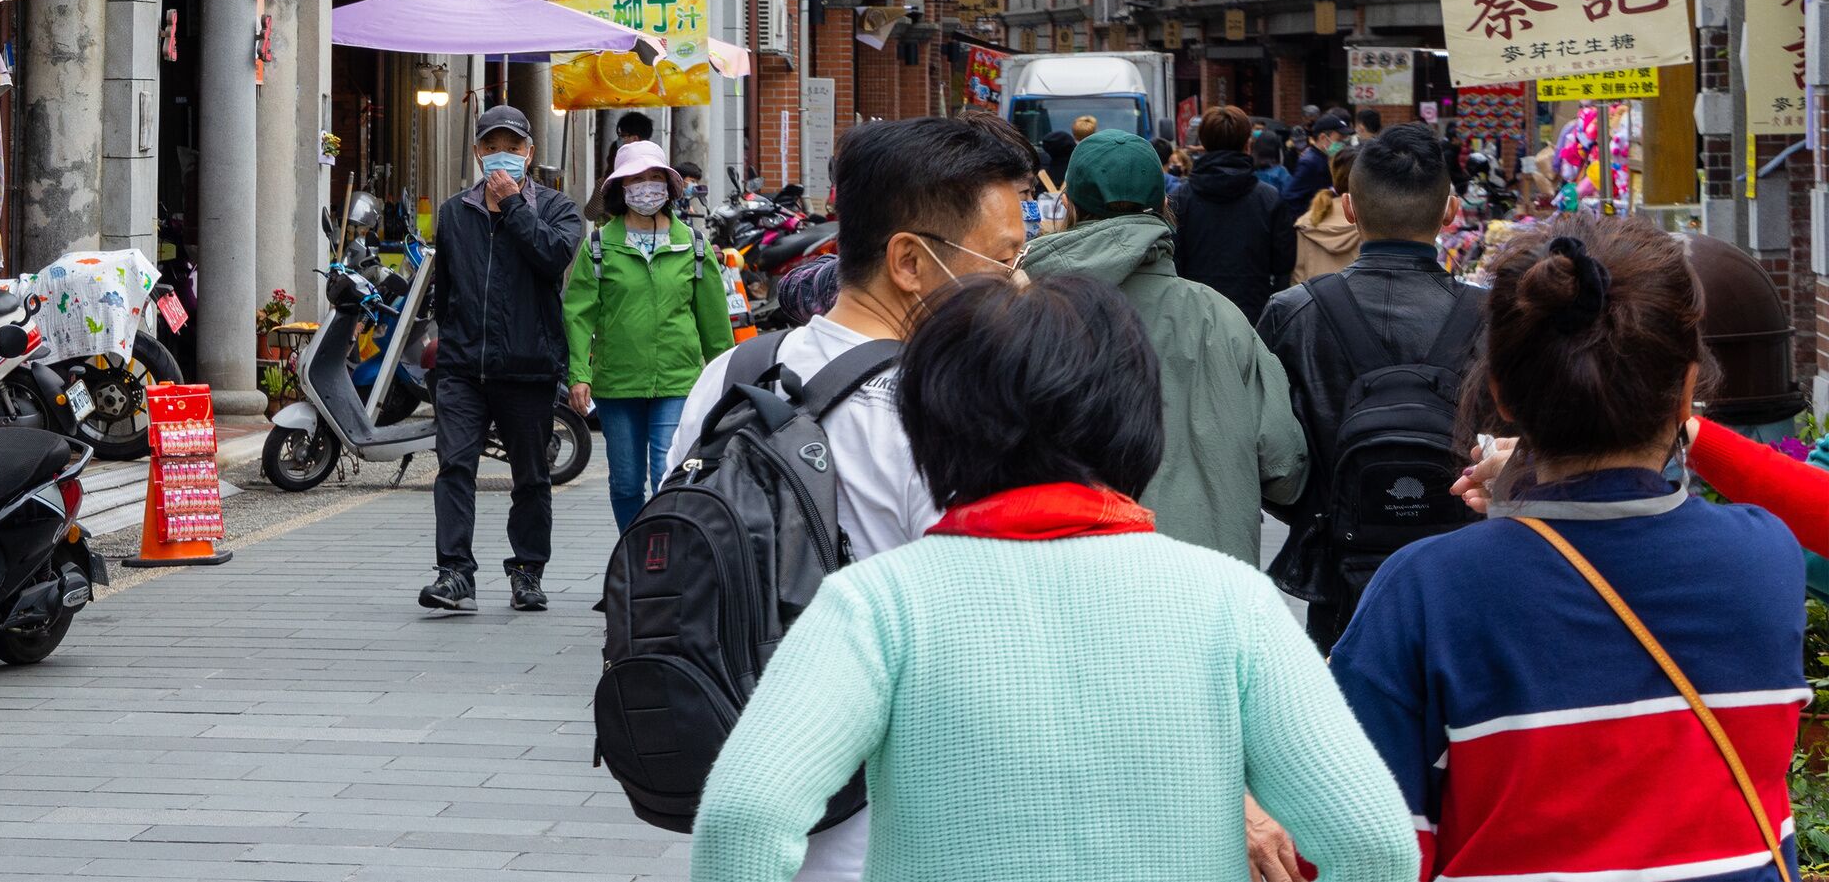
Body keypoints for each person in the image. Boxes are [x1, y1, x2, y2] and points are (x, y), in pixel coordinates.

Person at [687, 273, 1417, 882]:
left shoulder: (878, 603)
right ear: (1136, 423)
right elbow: (1373, 843)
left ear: (932, 425)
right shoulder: (1232, 600)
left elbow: (744, 816)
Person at [1329, 220, 1804, 882]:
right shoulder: (1765, 559)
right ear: (1689, 388)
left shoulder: (1426, 590)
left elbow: (1367, 848)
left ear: (1500, 393)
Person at [664, 115, 1031, 882]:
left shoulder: (736, 372)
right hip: (896, 827)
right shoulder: (943, 411)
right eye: (1003, 258)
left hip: (751, 786)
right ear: (909, 260)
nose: (1020, 282)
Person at [1022, 127, 1306, 564]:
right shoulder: (1220, 318)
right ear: (1164, 206)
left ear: (1070, 206)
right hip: (1205, 585)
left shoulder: (1026, 316)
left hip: (1070, 582)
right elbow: (1286, 469)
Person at [1260, 121, 1483, 647]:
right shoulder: (1497, 317)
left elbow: (1268, 452)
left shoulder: (1293, 314)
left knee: (1345, 720)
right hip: (1468, 566)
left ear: (1350, 208)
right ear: (1450, 211)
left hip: (1339, 568)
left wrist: (1322, 506)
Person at [419, 102, 585, 615]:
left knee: (531, 476)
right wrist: (454, 344)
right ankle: (454, 575)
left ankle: (527, 572)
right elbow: (444, 291)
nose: (501, 158)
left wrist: (514, 205)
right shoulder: (454, 212)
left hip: (528, 366)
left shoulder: (558, 209)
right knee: (454, 468)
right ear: (476, 152)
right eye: (491, 148)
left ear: (529, 154)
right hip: (464, 368)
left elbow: (553, 257)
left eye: (512, 149)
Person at [564, 138, 735, 533]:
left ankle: (662, 564)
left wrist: (727, 379)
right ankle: (632, 557)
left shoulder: (692, 246)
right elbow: (577, 315)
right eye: (636, 178)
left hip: (678, 380)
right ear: (621, 189)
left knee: (666, 475)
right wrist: (579, 373)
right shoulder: (598, 247)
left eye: (654, 177)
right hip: (617, 384)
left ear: (669, 187)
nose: (646, 186)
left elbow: (713, 322)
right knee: (625, 483)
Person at [1172, 103, 1296, 322]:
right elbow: (1283, 267)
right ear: (1247, 144)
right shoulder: (1269, 199)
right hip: (1254, 317)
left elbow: (1173, 264)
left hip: (1196, 316)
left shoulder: (1181, 199)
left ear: (1203, 143)